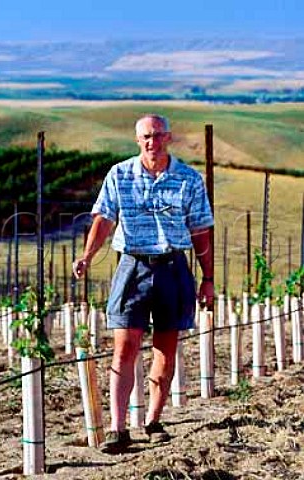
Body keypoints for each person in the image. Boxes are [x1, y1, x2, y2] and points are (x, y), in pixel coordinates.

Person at [73, 113, 214, 454]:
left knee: (165, 350)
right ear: (138, 141)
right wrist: (88, 255)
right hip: (132, 266)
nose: (152, 142)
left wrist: (208, 279)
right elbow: (104, 219)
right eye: (145, 137)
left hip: (173, 267)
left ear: (168, 138)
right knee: (124, 348)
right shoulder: (119, 175)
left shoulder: (189, 179)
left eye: (157, 135)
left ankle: (152, 421)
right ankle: (117, 428)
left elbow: (200, 231)